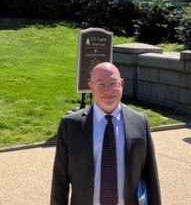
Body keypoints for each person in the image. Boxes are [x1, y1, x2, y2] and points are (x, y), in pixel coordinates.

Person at [50, 62, 162, 205]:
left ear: (121, 83)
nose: (108, 91)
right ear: (91, 87)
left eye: (113, 83)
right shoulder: (71, 125)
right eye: (101, 85)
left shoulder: (140, 122)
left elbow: (150, 176)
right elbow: (60, 180)